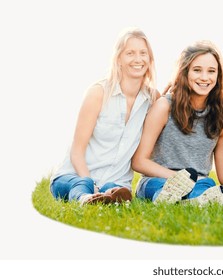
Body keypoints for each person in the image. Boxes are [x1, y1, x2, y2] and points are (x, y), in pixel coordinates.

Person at [50, 27, 159, 205]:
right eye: (130, 53)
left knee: (114, 189)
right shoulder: (99, 93)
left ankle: (108, 198)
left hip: (115, 182)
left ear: (150, 58)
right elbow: (77, 151)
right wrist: (91, 184)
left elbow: (171, 106)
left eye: (143, 53)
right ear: (119, 59)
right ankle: (86, 199)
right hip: (74, 176)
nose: (138, 59)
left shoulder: (152, 99)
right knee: (82, 184)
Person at [131, 40, 223, 206]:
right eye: (197, 70)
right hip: (156, 180)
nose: (204, 77)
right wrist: (179, 180)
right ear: (184, 72)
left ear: (218, 76)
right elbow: (139, 161)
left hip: (199, 182)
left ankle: (186, 203)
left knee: (208, 185)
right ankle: (168, 198)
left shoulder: (222, 120)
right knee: (163, 187)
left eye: (211, 71)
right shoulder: (164, 106)